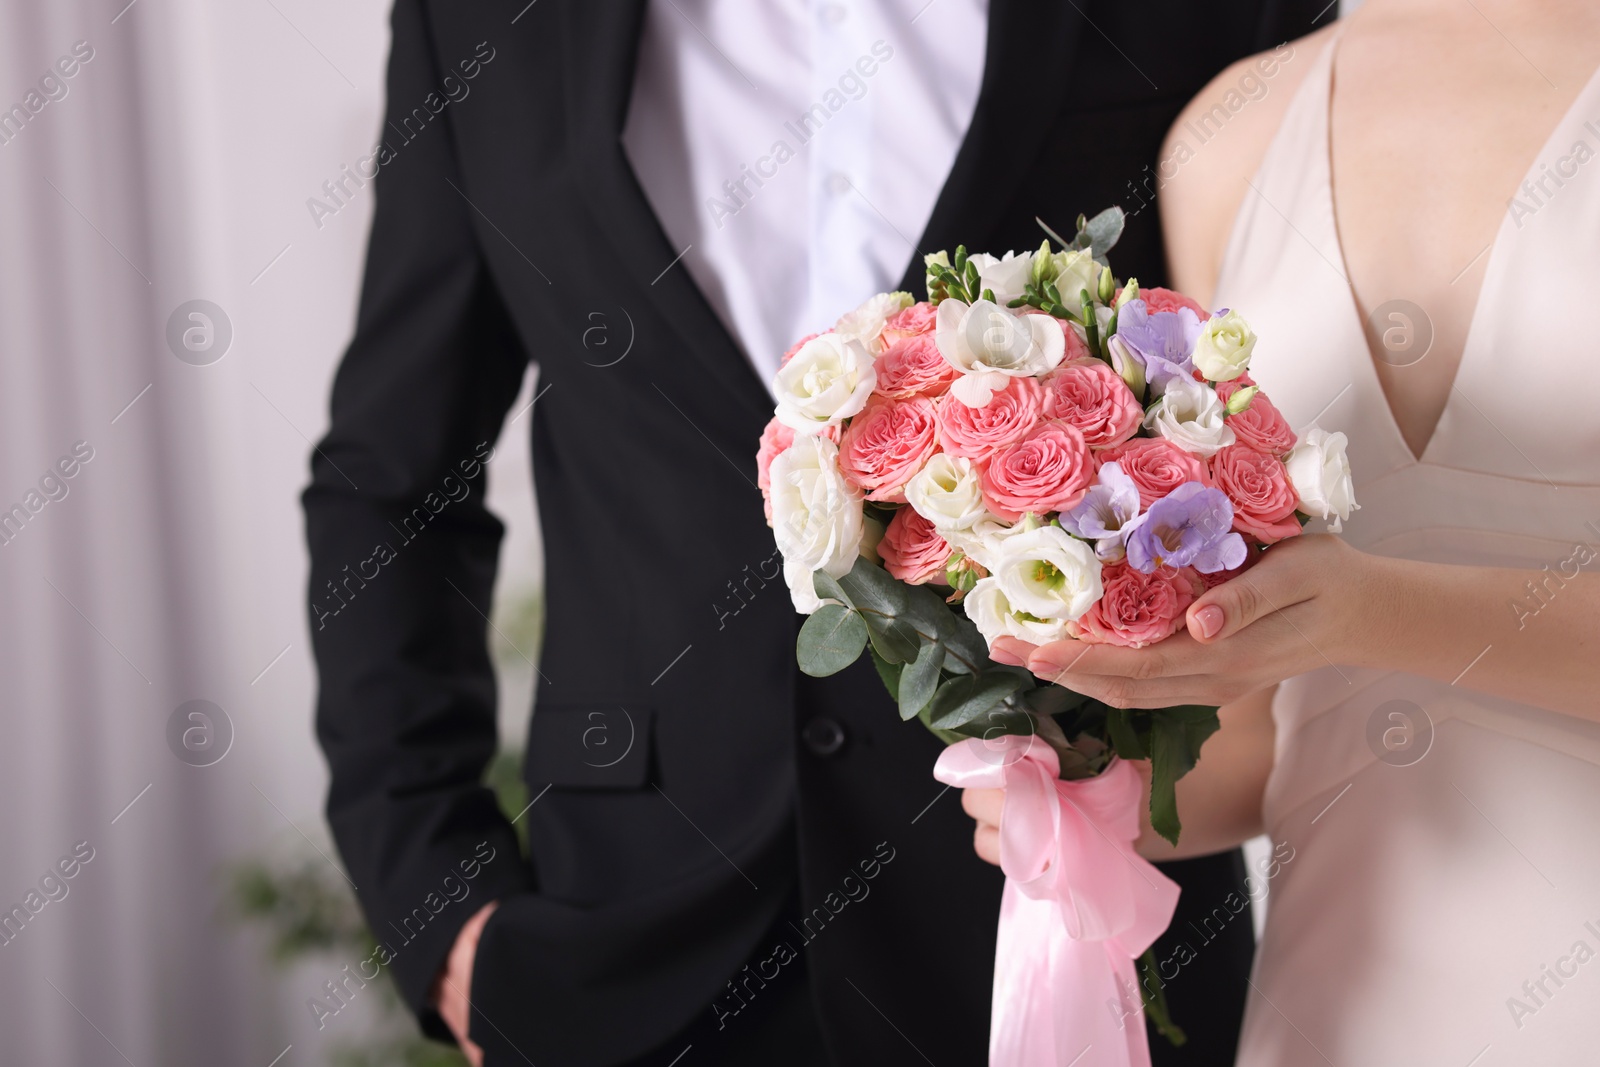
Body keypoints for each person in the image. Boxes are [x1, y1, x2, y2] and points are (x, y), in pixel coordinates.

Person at [303, 1, 1329, 1064]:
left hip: (1058, 940)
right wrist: (436, 904)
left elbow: (1288, 406)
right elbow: (391, 481)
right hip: (625, 946)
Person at [962, 0, 1600, 1061]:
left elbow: (1342, 625)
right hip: (1347, 995)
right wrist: (1101, 798)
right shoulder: (1235, 129)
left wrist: (1371, 611)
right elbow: (1270, 737)